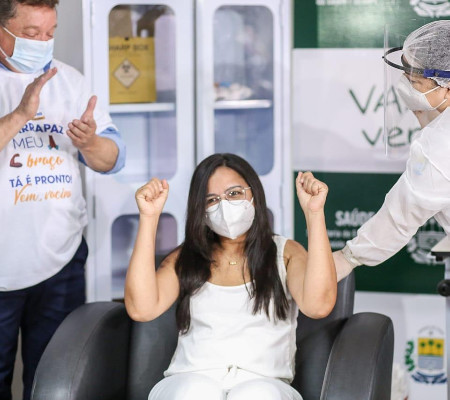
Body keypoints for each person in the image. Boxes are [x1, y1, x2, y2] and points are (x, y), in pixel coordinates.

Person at [125, 153, 337, 400]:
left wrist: (314, 214)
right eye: (212, 200)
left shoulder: (286, 253)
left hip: (266, 383)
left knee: (256, 395)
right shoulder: (186, 257)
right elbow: (141, 309)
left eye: (234, 193)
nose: (224, 205)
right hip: (188, 380)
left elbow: (318, 305)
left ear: (254, 195)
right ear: (200, 209)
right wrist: (149, 218)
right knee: (197, 392)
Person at [0, 1, 125, 399]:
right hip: (2, 266)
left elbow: (113, 159)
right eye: (31, 34)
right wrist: (20, 114)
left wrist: (91, 143)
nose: (43, 42)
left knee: (55, 381)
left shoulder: (70, 82)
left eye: (49, 32)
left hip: (61, 261)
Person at [333, 20, 450, 280]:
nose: (405, 86)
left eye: (414, 82)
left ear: (446, 86)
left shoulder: (439, 145)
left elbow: (400, 218)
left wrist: (350, 257)